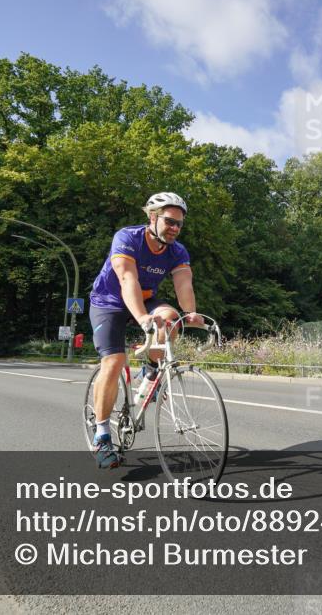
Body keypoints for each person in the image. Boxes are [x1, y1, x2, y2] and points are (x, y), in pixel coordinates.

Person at [88, 192, 202, 469]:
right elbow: (127, 278)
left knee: (171, 317)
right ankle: (102, 436)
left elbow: (183, 285)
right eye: (169, 221)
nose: (174, 228)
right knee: (114, 362)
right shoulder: (127, 238)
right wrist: (140, 317)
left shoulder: (177, 251)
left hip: (146, 297)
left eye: (179, 224)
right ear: (153, 217)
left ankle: (151, 369)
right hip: (110, 302)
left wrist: (191, 314)